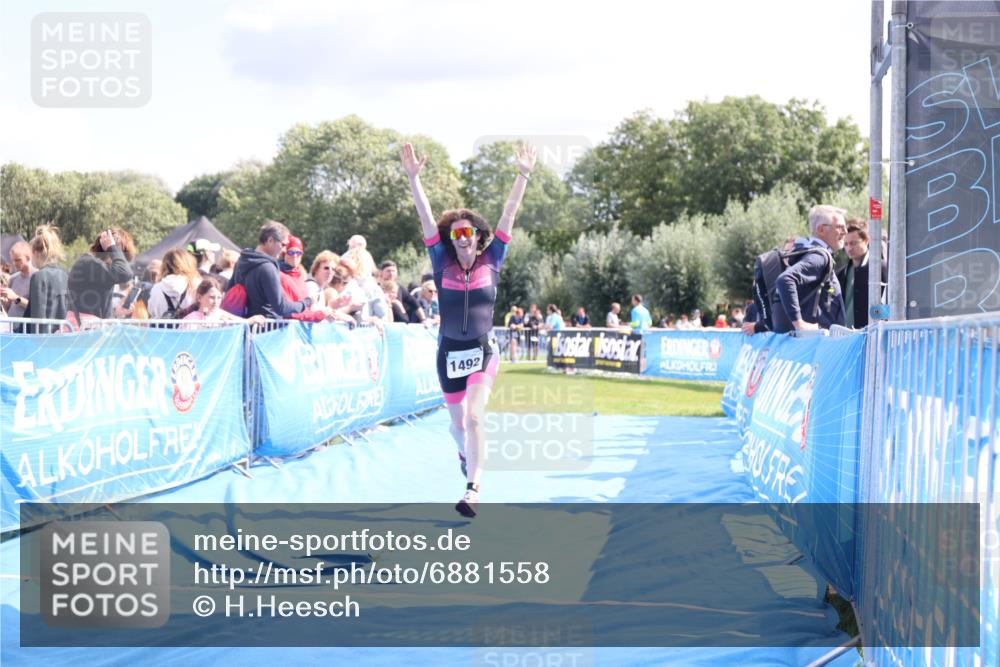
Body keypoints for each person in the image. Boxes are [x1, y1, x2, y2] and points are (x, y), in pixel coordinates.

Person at [401, 140, 536, 517]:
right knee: (458, 426)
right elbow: (425, 216)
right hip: (448, 353)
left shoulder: (493, 258)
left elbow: (509, 214)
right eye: (456, 234)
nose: (462, 239)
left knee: (475, 416)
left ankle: (472, 490)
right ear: (451, 239)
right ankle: (464, 453)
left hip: (482, 349)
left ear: (478, 236)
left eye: (468, 233)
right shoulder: (440, 260)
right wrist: (413, 179)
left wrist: (522, 175)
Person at [774, 205, 847, 332]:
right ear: (821, 230)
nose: (845, 232)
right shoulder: (820, 256)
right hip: (818, 341)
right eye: (840, 227)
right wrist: (799, 323)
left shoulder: (811, 253)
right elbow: (785, 279)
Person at [229, 220, 313, 319]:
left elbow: (229, 292)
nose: (284, 250)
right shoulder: (268, 268)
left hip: (244, 324)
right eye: (283, 245)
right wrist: (306, 302)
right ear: (270, 240)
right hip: (266, 325)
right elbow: (281, 307)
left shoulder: (241, 261)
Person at [67, 227, 135, 321]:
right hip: (83, 328)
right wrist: (112, 247)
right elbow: (125, 273)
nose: (120, 260)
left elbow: (100, 311)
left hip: (89, 326)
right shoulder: (88, 264)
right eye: (118, 257)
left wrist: (116, 312)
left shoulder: (95, 266)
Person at [837, 221, 886, 329]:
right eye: (846, 244)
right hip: (845, 335)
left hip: (873, 334)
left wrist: (876, 319)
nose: (849, 248)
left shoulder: (882, 269)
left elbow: (892, 306)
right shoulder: (840, 274)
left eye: (853, 243)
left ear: (866, 240)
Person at [24, 225, 68, 331]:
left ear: (36, 253)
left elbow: (37, 317)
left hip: (43, 338)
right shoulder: (65, 275)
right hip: (62, 335)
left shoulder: (38, 277)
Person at [180, 278, 266, 325]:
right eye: (212, 297)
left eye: (219, 298)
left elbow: (243, 321)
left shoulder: (219, 313)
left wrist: (254, 318)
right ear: (199, 297)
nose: (216, 302)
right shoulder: (190, 319)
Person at [147, 249, 200, 318]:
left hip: (163, 324)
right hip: (190, 324)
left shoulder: (156, 288)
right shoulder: (195, 285)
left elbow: (151, 310)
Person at [1, 241, 34, 318]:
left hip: (26, 325)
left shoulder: (37, 278)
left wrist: (15, 298)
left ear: (28, 257)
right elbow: (9, 308)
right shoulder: (13, 278)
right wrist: (3, 302)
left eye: (18, 260)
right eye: (13, 260)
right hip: (12, 324)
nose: (14, 263)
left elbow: (36, 307)